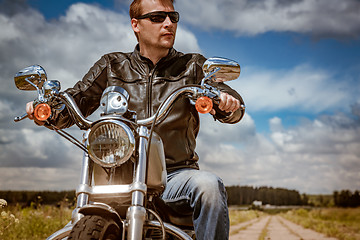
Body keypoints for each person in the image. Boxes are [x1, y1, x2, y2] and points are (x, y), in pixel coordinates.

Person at [26, 0, 245, 239]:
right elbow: (77, 98)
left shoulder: (192, 66)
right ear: (136, 25)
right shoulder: (112, 65)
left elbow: (230, 102)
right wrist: (49, 109)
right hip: (116, 172)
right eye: (158, 18)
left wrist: (227, 103)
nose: (169, 23)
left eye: (173, 17)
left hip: (174, 175)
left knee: (209, 187)